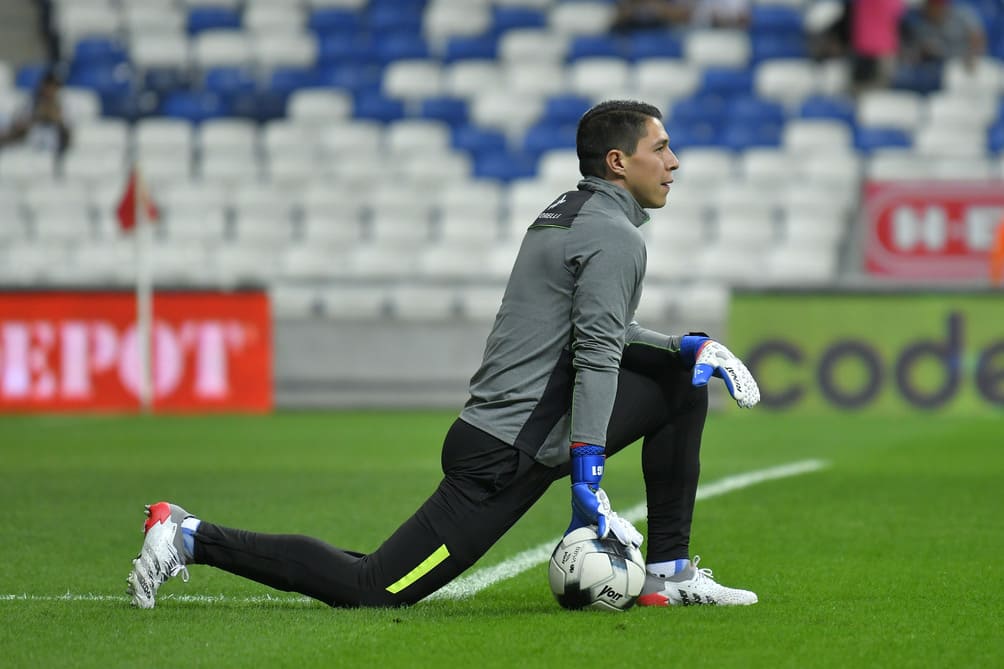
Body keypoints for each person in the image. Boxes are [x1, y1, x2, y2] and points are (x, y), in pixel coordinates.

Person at [126, 100, 762, 610]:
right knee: (372, 587)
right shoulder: (613, 234)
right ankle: (187, 536)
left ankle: (669, 573)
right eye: (662, 148)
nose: (674, 162)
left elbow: (602, 331)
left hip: (524, 429)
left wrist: (686, 345)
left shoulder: (575, 213)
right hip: (504, 450)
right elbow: (596, 355)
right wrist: (588, 480)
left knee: (686, 380)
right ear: (620, 162)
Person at [0, 69, 71, 155]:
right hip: (28, 147)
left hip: (52, 148)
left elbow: (67, 132)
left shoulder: (62, 105)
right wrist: (37, 117)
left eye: (54, 86)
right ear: (43, 85)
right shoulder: (31, 102)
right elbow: (18, 125)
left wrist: (56, 119)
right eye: (49, 86)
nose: (51, 90)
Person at [899, 0, 986, 67]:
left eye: (939, 6)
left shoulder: (962, 14)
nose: (935, 9)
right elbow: (910, 54)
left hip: (961, 64)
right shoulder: (919, 21)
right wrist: (923, 51)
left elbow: (977, 37)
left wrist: (972, 56)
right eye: (932, 5)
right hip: (933, 67)